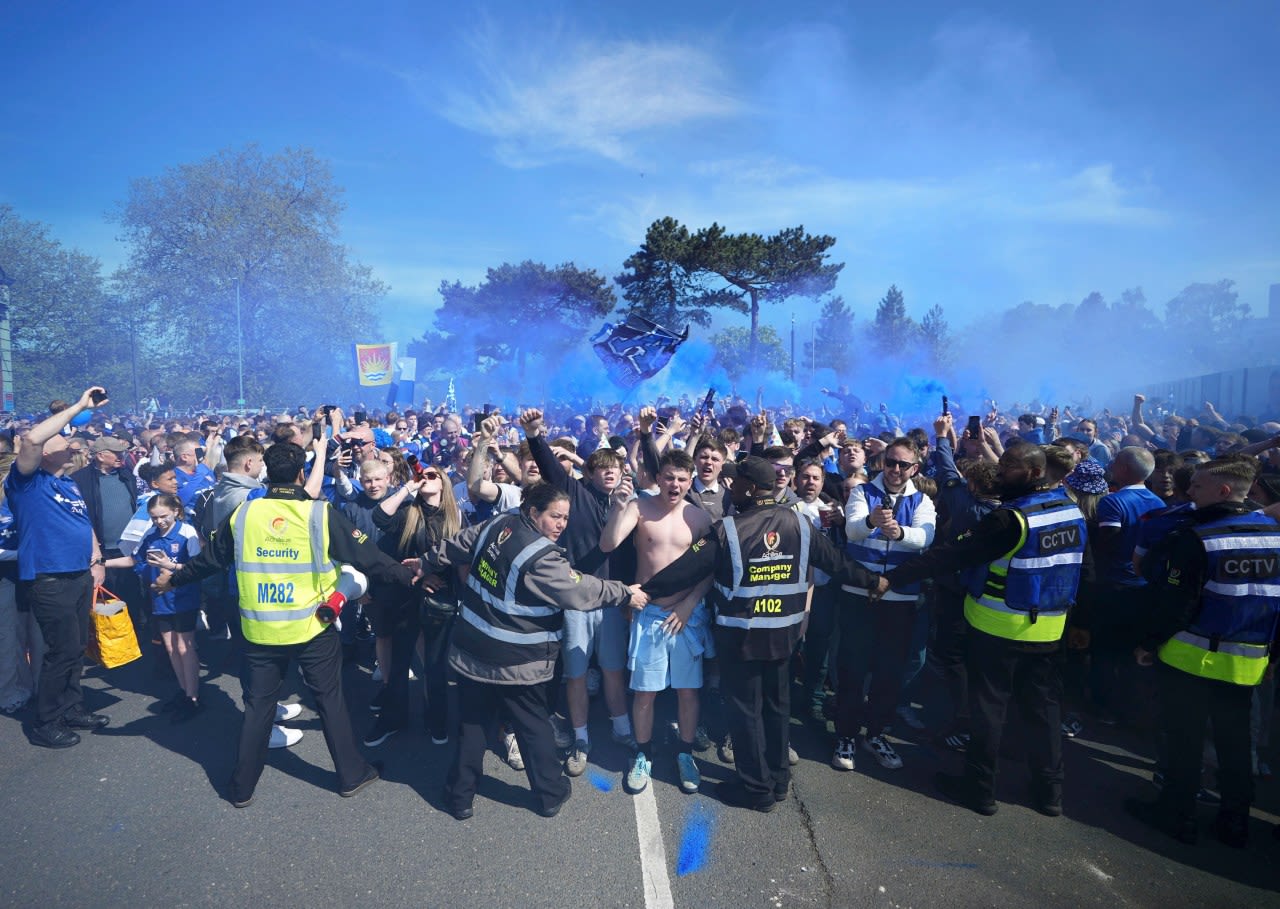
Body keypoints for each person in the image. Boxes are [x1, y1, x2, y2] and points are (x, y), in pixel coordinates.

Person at [156, 442, 419, 806]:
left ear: (266, 472)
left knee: (258, 707)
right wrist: (414, 578)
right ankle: (351, 774)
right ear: (300, 474)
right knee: (330, 701)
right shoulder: (318, 514)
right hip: (311, 627)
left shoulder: (244, 515)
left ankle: (241, 787)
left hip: (260, 630)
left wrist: (174, 579)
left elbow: (210, 561)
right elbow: (369, 557)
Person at [641, 457, 876, 811]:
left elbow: (684, 569)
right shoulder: (801, 522)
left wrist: (643, 590)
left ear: (750, 488)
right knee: (777, 708)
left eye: (736, 483)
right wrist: (875, 582)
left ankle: (756, 789)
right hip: (785, 636)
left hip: (742, 638)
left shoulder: (728, 530)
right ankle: (778, 780)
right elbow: (837, 563)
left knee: (745, 713)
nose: (731, 487)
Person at [871, 442, 1090, 817]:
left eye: (1009, 465)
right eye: (1001, 461)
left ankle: (978, 790)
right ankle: (1049, 793)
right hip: (1049, 633)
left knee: (988, 712)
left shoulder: (1010, 519)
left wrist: (893, 578)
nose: (1000, 470)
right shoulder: (1069, 510)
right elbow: (1080, 570)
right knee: (1043, 713)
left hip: (999, 631)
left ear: (1035, 473)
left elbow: (951, 556)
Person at [418, 484, 647, 819]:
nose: (561, 524)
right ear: (532, 511)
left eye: (566, 518)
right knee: (533, 726)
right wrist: (625, 593)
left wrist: (425, 562)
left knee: (473, 725)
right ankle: (551, 794)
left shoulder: (498, 525)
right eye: (555, 516)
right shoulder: (540, 556)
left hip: (471, 652)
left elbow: (459, 545)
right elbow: (578, 590)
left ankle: (459, 797)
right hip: (517, 662)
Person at [1125, 456, 1280, 848]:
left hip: (1191, 659)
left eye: (1196, 487)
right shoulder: (1273, 535)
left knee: (1184, 741)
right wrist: (1272, 658)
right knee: (1235, 744)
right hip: (1247, 662)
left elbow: (1176, 604)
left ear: (1222, 491)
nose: (1188, 492)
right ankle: (1235, 822)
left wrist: (1148, 643)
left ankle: (1176, 815)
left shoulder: (1199, 538)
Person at [520, 407, 635, 777]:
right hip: (576, 600)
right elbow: (552, 469)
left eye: (615, 467)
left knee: (614, 671)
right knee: (577, 674)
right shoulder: (574, 493)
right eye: (602, 468)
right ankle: (582, 738)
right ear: (589, 473)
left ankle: (622, 729)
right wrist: (536, 436)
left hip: (614, 600)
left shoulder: (630, 504)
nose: (610, 472)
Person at [600, 449, 712, 794]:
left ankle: (685, 753)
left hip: (686, 616)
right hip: (648, 614)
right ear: (659, 479)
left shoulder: (699, 518)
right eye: (668, 477)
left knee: (688, 692)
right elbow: (609, 543)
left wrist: (689, 605)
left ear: (689, 481)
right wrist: (619, 506)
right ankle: (643, 755)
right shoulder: (639, 507)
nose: (674, 484)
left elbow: (710, 568)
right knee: (645, 692)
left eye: (681, 478)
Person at [7, 386, 110, 748]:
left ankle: (72, 706)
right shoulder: (26, 483)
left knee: (76, 645)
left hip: (79, 573)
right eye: (61, 440)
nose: (71, 444)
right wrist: (79, 406)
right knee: (60, 650)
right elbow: (34, 439)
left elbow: (85, 526)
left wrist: (96, 560)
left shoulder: (65, 483)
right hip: (49, 578)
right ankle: (46, 720)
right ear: (44, 450)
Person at [833, 437, 936, 772]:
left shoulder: (922, 500)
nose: (894, 469)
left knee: (889, 673)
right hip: (858, 597)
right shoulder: (863, 493)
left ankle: (875, 733)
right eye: (890, 462)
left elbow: (926, 537)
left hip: (899, 601)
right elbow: (851, 531)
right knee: (852, 669)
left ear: (914, 468)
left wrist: (900, 533)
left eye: (903, 464)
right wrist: (871, 523)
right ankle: (845, 736)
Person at [366, 458, 462, 747]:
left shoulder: (455, 516)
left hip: (439, 600)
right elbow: (379, 517)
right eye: (423, 475)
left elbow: (460, 558)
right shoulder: (409, 511)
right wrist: (409, 485)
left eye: (432, 475)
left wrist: (430, 572)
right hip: (406, 596)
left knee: (434, 665)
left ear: (443, 483)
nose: (425, 477)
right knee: (399, 663)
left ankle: (437, 721)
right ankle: (392, 720)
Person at [104, 494, 203, 721]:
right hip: (159, 598)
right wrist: (102, 563)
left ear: (176, 512)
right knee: (170, 646)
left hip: (183, 597)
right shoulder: (150, 534)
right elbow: (132, 560)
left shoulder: (187, 533)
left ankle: (193, 696)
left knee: (184, 646)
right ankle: (183, 690)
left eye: (163, 516)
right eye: (154, 517)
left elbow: (197, 567)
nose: (159, 522)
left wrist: (171, 565)